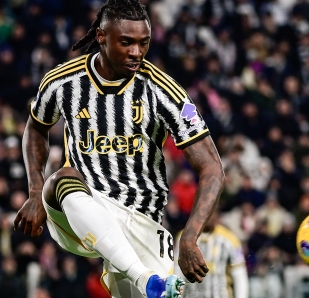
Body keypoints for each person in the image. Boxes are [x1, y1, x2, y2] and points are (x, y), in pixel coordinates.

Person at [13, 0, 225, 297]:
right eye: (127, 42)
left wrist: (189, 238)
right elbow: (36, 127)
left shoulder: (164, 90)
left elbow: (213, 167)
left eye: (144, 43)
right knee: (60, 179)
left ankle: (141, 277)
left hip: (141, 221)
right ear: (101, 36)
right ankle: (144, 278)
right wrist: (35, 192)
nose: (137, 52)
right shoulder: (62, 81)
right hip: (81, 204)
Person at [175, 209, 249, 298]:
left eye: (212, 213)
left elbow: (239, 275)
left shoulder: (230, 240)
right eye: (205, 212)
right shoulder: (184, 238)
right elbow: (177, 272)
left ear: (217, 216)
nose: (208, 216)